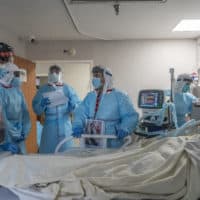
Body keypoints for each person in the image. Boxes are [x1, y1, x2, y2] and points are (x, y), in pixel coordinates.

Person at [72, 65, 139, 148]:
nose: (94, 79)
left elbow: (130, 115)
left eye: (97, 76)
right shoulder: (90, 96)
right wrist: (77, 126)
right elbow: (80, 113)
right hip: (91, 138)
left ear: (106, 78)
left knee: (108, 160)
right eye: (94, 76)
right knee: (90, 159)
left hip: (111, 140)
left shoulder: (119, 96)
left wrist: (125, 128)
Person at [32, 65, 80, 153]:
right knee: (48, 153)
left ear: (61, 74)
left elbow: (78, 107)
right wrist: (41, 104)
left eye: (57, 72)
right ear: (49, 74)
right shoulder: (43, 89)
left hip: (65, 125)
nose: (54, 74)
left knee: (66, 154)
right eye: (52, 72)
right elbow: (36, 110)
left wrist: (73, 105)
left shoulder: (68, 88)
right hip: (50, 127)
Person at [0, 42, 31, 154]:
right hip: (4, 140)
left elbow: (25, 113)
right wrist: (2, 143)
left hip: (17, 137)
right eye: (4, 61)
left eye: (10, 60)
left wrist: (24, 130)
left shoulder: (16, 89)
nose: (8, 64)